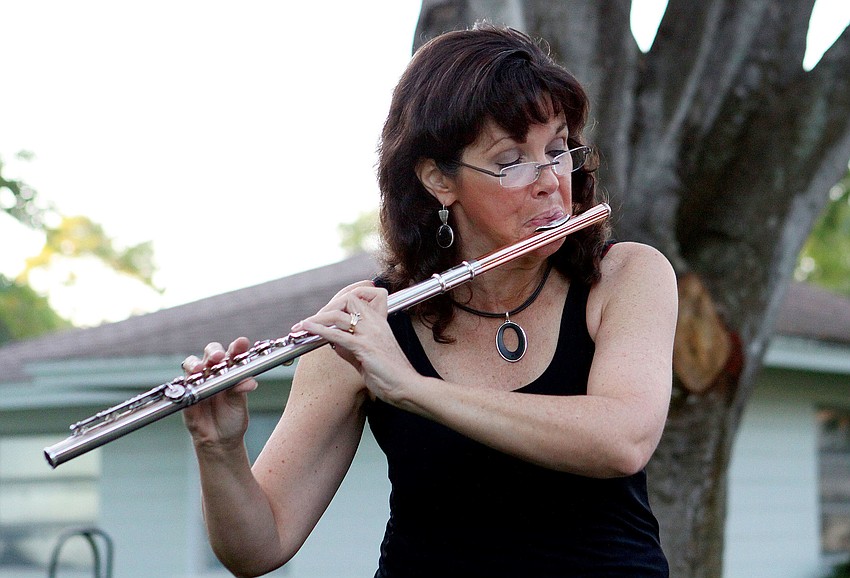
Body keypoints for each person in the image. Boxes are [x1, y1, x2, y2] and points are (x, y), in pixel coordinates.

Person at [182, 24, 678, 578]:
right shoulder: (369, 322)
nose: (549, 181)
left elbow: (622, 439)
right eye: (512, 159)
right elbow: (258, 547)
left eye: (557, 150)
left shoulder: (626, 276)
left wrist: (414, 390)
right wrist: (220, 449)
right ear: (439, 181)